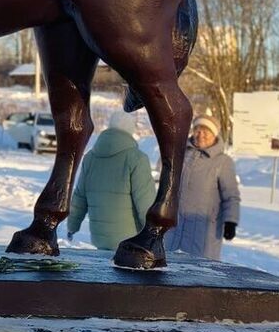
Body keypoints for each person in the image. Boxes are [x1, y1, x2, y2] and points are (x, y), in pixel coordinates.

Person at [66, 110, 155, 251]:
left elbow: (79, 197)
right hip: (130, 238)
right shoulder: (137, 159)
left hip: (99, 237)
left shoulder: (90, 158)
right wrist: (153, 233)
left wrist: (72, 226)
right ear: (130, 130)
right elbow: (145, 200)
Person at [164, 114, 240, 261]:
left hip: (203, 231)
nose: (201, 135)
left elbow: (231, 196)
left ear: (214, 135)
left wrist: (231, 221)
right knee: (170, 264)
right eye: (197, 130)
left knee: (198, 268)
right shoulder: (181, 154)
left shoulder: (223, 162)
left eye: (206, 131)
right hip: (175, 228)